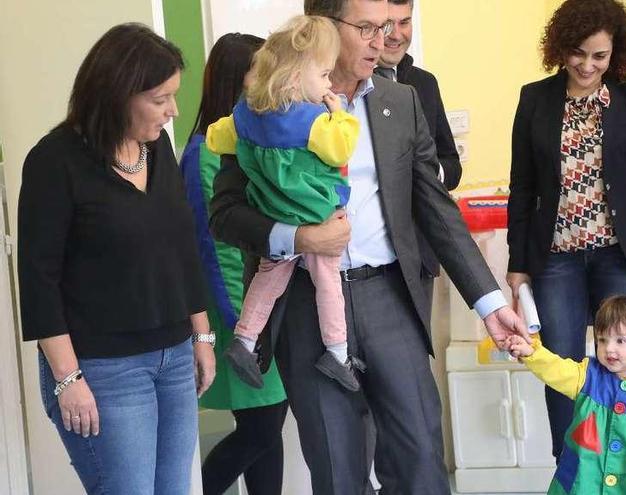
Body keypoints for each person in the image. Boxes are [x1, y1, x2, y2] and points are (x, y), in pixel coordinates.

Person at [209, 0, 528, 493]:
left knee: (421, 456)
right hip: (303, 305)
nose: (383, 40)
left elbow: (437, 210)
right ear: (325, 29)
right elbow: (225, 214)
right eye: (366, 28)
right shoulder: (266, 106)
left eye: (386, 26)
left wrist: (489, 303)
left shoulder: (400, 103)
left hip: (390, 298)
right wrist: (298, 238)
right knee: (337, 472)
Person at [17, 23, 214, 494]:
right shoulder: (54, 161)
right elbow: (39, 279)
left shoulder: (157, 148)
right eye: (160, 98)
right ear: (117, 93)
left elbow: (181, 246)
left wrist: (201, 335)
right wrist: (68, 380)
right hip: (104, 368)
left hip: (173, 355)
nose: (173, 112)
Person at [506, 0, 626, 461]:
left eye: (599, 56)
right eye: (578, 53)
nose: (587, 65)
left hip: (619, 256)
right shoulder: (535, 98)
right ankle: (572, 464)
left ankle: (619, 460)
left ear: (615, 54)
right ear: (561, 48)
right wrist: (518, 264)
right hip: (555, 258)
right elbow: (522, 187)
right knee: (560, 364)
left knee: (622, 360)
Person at [206, 16, 361, 391]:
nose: (329, 83)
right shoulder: (314, 121)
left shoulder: (244, 114)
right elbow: (342, 146)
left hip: (274, 213)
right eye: (324, 75)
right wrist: (339, 112)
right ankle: (338, 352)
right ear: (295, 78)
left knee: (267, 278)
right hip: (317, 212)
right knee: (329, 284)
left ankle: (244, 340)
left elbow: (215, 138)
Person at [179, 32, 290, 495]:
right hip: (238, 312)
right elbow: (215, 250)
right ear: (236, 77)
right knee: (261, 427)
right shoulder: (206, 151)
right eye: (261, 70)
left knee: (268, 425)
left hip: (258, 309)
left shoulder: (241, 143)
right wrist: (247, 328)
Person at [507, 296, 626, 495]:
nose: (609, 348)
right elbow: (556, 369)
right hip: (586, 480)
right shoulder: (587, 375)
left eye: (620, 340)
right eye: (603, 340)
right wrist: (531, 352)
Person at [374, 0, 462, 317]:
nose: (396, 35)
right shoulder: (348, 85)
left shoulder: (425, 83)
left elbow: (451, 165)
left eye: (405, 22)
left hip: (419, 254)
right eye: (387, 25)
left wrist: (427, 169)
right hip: (368, 257)